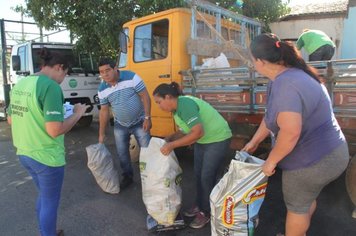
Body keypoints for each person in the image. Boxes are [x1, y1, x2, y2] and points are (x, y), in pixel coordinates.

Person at [243, 33, 349, 236]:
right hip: (332, 153)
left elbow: (290, 133)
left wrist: (270, 162)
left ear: (260, 61)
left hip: (312, 162)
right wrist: (254, 141)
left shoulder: (286, 85)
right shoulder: (288, 76)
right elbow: (271, 117)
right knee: (306, 198)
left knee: (296, 207)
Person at [7, 48, 89, 236]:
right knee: (50, 201)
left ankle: (46, 230)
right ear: (59, 67)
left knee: (44, 196)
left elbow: (12, 119)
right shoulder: (51, 87)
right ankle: (47, 233)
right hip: (46, 156)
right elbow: (55, 130)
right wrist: (77, 114)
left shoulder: (21, 84)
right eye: (66, 74)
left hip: (24, 153)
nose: (64, 78)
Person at [152, 82, 232, 229]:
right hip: (204, 140)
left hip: (218, 138)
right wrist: (170, 137)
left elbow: (197, 132)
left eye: (159, 102)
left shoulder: (185, 105)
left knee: (207, 177)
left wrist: (172, 145)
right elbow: (185, 130)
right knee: (198, 175)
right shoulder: (176, 109)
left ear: (168, 97)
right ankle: (201, 204)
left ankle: (207, 212)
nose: (159, 106)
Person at [97, 57, 151, 189]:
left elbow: (145, 96)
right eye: (102, 72)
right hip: (120, 125)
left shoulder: (131, 77)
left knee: (147, 152)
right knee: (122, 154)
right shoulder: (102, 88)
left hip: (139, 122)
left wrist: (148, 118)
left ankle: (151, 177)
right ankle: (127, 176)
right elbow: (104, 111)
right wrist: (101, 134)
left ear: (115, 68)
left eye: (108, 70)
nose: (105, 74)